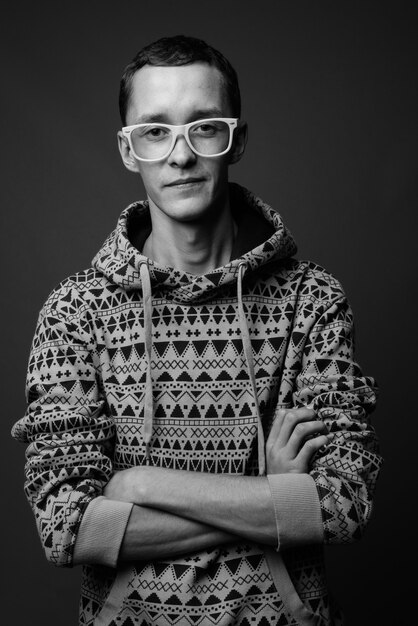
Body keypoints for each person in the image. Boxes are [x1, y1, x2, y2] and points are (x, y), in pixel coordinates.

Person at [12, 35, 382, 626]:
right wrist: (268, 492)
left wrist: (135, 483)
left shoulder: (312, 301)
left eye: (203, 126)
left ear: (235, 140)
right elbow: (67, 527)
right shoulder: (74, 311)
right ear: (128, 151)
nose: (180, 155)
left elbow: (343, 505)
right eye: (155, 131)